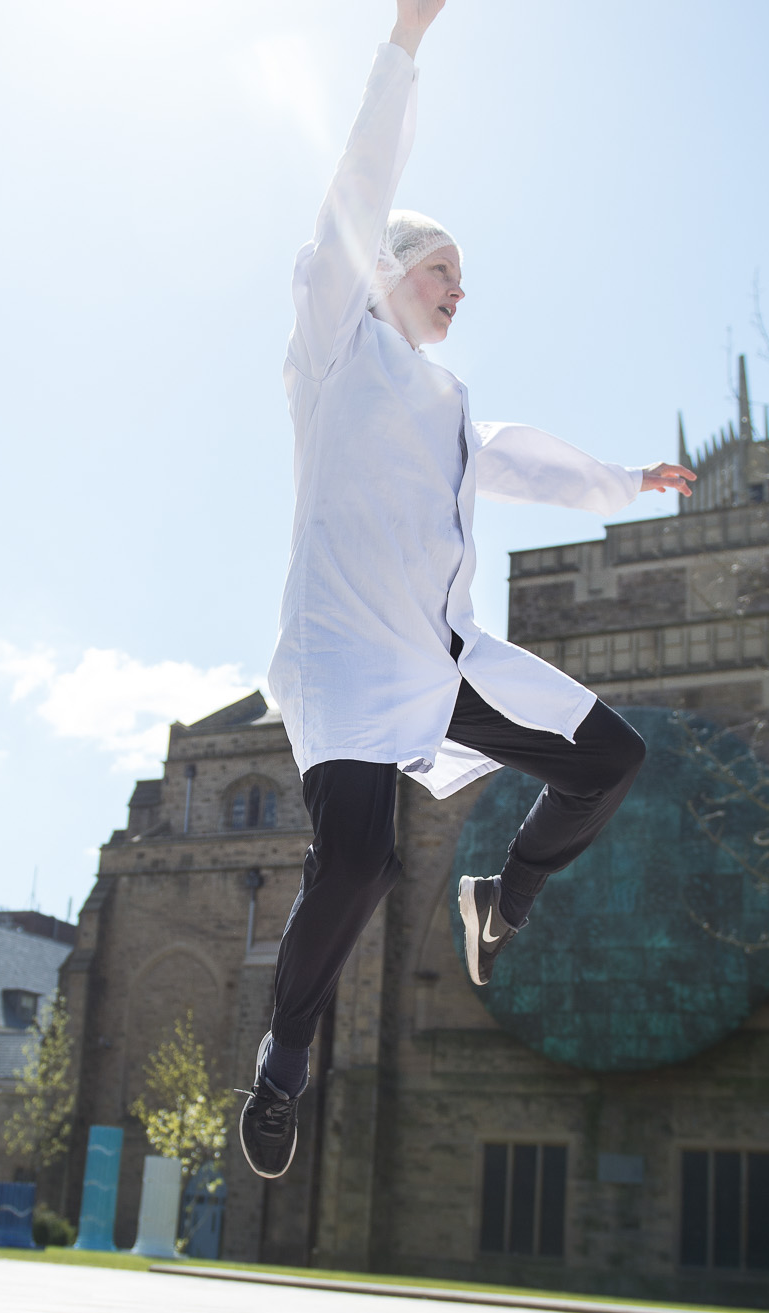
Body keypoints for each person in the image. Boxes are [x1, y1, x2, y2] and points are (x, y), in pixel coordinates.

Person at [240, 0, 696, 1181]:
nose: (459, 294)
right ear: (388, 270)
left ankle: (506, 892)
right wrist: (404, 40)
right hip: (343, 656)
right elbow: (353, 190)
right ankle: (283, 1060)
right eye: (446, 272)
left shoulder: (443, 401)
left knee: (608, 757)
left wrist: (621, 478)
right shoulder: (333, 347)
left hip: (441, 661)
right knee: (356, 863)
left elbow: (519, 456)